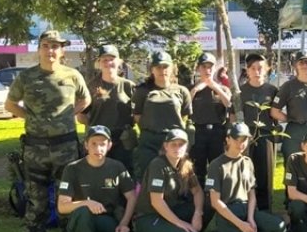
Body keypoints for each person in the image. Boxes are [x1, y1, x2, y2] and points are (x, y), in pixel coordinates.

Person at [5, 29, 91, 232]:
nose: (50, 50)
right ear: (39, 48)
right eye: (46, 45)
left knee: (68, 197)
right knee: (36, 201)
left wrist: (66, 116)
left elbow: (86, 100)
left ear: (62, 50)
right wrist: (31, 118)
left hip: (65, 147)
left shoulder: (72, 75)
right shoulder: (27, 77)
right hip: (36, 150)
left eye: (55, 46)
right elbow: (10, 103)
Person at [57, 125, 137, 232]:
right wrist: (87, 203)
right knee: (83, 212)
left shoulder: (117, 167)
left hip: (107, 220)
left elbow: (132, 197)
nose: (98, 148)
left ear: (109, 146)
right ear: (86, 145)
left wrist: (124, 223)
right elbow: (62, 206)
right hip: (81, 220)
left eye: (102, 144)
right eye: (93, 143)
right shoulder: (72, 169)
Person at [205, 122, 287, 232]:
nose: (241, 143)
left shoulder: (248, 162)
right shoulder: (216, 165)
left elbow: (252, 194)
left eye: (244, 139)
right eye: (237, 139)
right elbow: (215, 202)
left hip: (245, 210)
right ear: (228, 139)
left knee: (280, 227)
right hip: (227, 215)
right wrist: (241, 225)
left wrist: (250, 218)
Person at [134, 128, 208, 232]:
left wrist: (198, 213)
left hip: (171, 211)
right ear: (165, 146)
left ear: (186, 146)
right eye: (173, 144)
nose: (177, 148)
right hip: (149, 218)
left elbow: (197, 191)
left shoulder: (185, 164)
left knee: (208, 204)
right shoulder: (158, 165)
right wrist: (180, 223)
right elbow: (157, 202)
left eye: (181, 144)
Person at [132, 51, 192, 182]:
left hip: (174, 141)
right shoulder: (142, 91)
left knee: (175, 178)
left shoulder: (181, 91)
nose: (162, 70)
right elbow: (137, 116)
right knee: (147, 178)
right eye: (158, 67)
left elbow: (185, 117)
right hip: (149, 141)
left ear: (172, 69)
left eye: (165, 67)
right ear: (152, 69)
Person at [77, 44, 136, 172]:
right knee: (98, 174)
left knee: (124, 176)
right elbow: (81, 116)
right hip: (99, 140)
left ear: (119, 61)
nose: (108, 63)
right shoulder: (92, 86)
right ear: (99, 62)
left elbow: (137, 115)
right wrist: (96, 125)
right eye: (104, 59)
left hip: (123, 142)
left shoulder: (128, 86)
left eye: (112, 59)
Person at [237, 52, 279, 211]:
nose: (257, 71)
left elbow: (276, 113)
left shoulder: (272, 90)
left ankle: (265, 209)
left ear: (267, 69)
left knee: (265, 175)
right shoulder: (241, 92)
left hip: (266, 136)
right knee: (245, 174)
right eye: (252, 68)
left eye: (260, 67)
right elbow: (234, 116)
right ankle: (245, 208)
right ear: (247, 70)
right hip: (245, 139)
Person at [190, 52, 233, 185]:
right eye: (204, 67)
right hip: (198, 132)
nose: (207, 70)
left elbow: (229, 105)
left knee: (217, 167)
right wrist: (197, 88)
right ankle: (199, 198)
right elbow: (185, 105)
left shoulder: (223, 88)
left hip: (217, 132)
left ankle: (216, 198)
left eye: (210, 67)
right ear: (198, 68)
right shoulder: (192, 88)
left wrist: (215, 87)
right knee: (198, 169)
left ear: (215, 68)